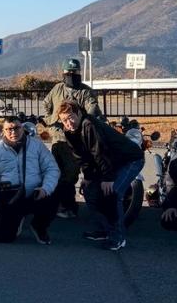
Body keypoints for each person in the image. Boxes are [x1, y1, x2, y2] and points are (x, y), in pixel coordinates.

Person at [56, 101, 145, 252]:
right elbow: (81, 157)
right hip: (110, 162)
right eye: (64, 120)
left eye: (71, 117)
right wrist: (88, 177)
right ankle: (104, 230)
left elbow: (100, 152)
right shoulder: (69, 131)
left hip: (129, 159)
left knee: (112, 193)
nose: (68, 123)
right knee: (90, 191)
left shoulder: (89, 125)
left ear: (79, 113)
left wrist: (108, 178)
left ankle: (118, 237)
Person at [0, 119, 60, 244]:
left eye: (16, 128)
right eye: (9, 129)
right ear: (3, 131)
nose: (13, 132)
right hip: (11, 197)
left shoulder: (36, 145)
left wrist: (45, 189)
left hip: (34, 194)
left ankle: (38, 226)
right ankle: (16, 219)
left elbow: (52, 169)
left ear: (23, 128)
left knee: (56, 193)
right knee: (3, 237)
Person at [42, 58, 104, 218]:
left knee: (70, 174)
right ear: (63, 73)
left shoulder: (85, 91)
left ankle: (68, 206)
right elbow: (46, 104)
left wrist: (82, 124)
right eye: (68, 72)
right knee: (55, 172)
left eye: (74, 72)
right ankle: (57, 205)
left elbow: (93, 108)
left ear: (79, 72)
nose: (71, 74)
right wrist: (51, 120)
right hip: (57, 139)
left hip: (75, 140)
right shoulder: (57, 88)